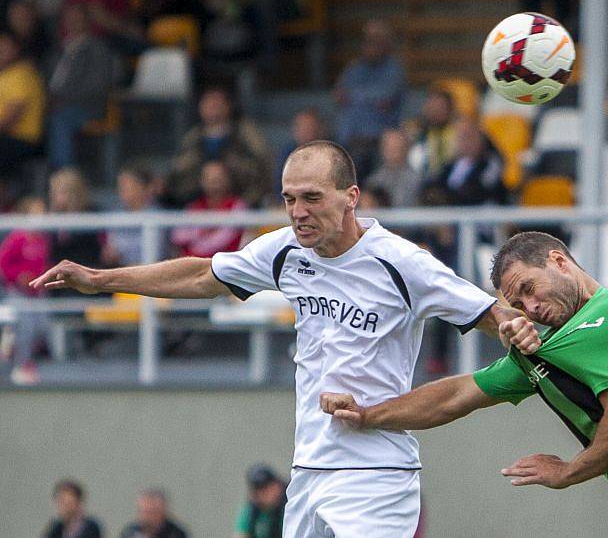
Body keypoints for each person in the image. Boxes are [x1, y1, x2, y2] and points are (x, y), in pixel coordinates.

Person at [30, 140, 536, 537]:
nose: (297, 211)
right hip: (307, 469)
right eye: (289, 199)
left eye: (312, 198)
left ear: (350, 197)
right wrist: (101, 280)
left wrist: (513, 325)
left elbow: (488, 311)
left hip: (374, 470)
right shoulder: (285, 251)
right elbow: (202, 275)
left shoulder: (401, 262)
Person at [321, 230, 608, 538]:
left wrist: (567, 472)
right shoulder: (545, 350)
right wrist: (367, 414)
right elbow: (457, 395)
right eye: (517, 303)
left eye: (530, 288)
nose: (530, 307)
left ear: (559, 261)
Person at [165, 86, 272, 208]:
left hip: (243, 202)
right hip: (198, 205)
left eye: (217, 103)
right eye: (208, 103)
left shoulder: (247, 134)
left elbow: (263, 165)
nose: (212, 107)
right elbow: (178, 171)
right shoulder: (192, 137)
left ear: (228, 106)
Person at [334, 20, 405, 178]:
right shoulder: (354, 68)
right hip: (349, 139)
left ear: (386, 44)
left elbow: (385, 98)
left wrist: (354, 96)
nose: (370, 46)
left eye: (375, 41)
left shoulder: (394, 70)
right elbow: (339, 95)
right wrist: (368, 98)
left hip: (377, 141)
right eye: (367, 41)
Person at [48, 2, 114, 170]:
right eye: (69, 18)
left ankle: (65, 174)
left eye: (78, 18)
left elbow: (97, 85)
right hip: (54, 104)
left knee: (60, 119)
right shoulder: (58, 48)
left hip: (86, 106)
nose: (73, 22)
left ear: (87, 21)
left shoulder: (98, 48)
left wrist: (63, 99)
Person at [0, 196, 50, 385]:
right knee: (26, 326)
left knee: (43, 326)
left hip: (37, 293)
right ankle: (21, 362)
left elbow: (43, 265)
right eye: (36, 213)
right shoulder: (16, 238)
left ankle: (28, 356)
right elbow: (3, 264)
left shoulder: (43, 240)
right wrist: (18, 277)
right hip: (17, 293)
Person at [170, 161, 247, 258]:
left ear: (227, 179)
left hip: (223, 265)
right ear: (202, 181)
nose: (214, 181)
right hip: (193, 263)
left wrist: (197, 236)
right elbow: (178, 236)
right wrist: (202, 232)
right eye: (209, 177)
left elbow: (221, 240)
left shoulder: (237, 206)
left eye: (218, 177)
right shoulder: (194, 206)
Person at [0, 30, 46, 176]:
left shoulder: (22, 74)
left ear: (16, 49)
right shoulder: (5, 74)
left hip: (23, 139)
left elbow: (12, 117)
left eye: (5, 48)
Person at [102, 165, 161, 267]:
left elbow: (159, 256)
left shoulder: (159, 216)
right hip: (119, 272)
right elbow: (109, 253)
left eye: (128, 185)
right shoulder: (115, 215)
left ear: (145, 188)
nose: (122, 190)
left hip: (149, 274)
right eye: (121, 186)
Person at [365, 129, 421, 208]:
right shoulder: (374, 181)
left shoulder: (417, 180)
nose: (392, 151)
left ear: (406, 148)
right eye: (388, 146)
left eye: (396, 146)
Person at [233, 464, 286, 538]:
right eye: (262, 491)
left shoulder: (288, 505)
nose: (269, 493)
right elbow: (242, 533)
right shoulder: (252, 511)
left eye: (270, 487)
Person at [120, 488, 188, 538]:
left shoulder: (176, 534)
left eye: (152, 512)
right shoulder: (130, 533)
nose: (148, 517)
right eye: (144, 512)